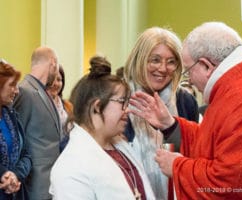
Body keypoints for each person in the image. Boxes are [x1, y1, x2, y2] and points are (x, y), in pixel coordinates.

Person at [129, 22, 242, 199]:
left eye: (188, 71)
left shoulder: (241, 101)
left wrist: (177, 166)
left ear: (206, 66)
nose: (190, 82)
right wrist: (171, 125)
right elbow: (217, 142)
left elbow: (229, 184)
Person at [49, 56, 155, 200]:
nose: (127, 110)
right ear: (97, 107)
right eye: (122, 102)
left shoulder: (119, 146)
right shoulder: (71, 166)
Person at [123, 27, 199, 199]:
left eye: (171, 62)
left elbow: (193, 151)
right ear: (139, 60)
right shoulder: (119, 98)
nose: (163, 69)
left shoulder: (185, 101)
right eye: (155, 60)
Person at [13, 47, 62, 200]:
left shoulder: (43, 92)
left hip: (50, 183)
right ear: (53, 64)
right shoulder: (24, 91)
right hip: (34, 185)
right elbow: (17, 140)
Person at [0, 59, 31, 200]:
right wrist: (3, 174)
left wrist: (15, 175)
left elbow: (26, 155)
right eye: (12, 85)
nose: (17, 91)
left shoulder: (12, 117)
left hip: (16, 193)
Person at [46, 64, 73, 151]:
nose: (56, 83)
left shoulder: (68, 105)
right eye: (52, 79)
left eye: (59, 79)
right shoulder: (40, 105)